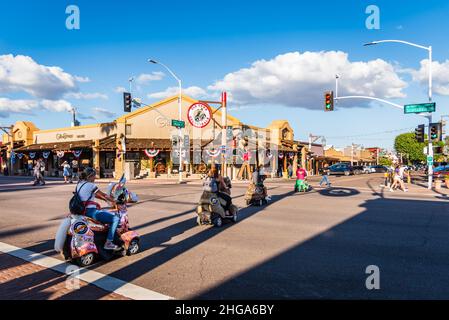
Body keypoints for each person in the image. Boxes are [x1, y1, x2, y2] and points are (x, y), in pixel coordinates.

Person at [77, 168, 121, 251]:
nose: (95, 178)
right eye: (94, 176)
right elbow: (104, 195)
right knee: (115, 219)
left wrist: (105, 200)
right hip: (90, 212)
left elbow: (93, 195)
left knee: (104, 214)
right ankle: (108, 243)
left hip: (80, 211)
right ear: (90, 176)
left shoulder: (80, 184)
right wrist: (115, 201)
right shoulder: (91, 185)